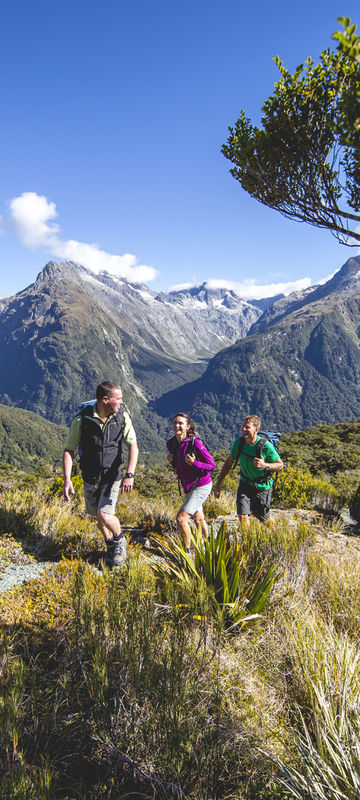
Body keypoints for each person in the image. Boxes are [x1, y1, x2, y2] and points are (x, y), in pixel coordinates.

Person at [63, 380, 138, 567]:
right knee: (98, 515)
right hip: (90, 476)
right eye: (118, 399)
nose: (121, 402)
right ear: (105, 400)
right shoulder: (82, 420)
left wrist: (129, 474)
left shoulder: (122, 418)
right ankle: (110, 544)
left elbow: (133, 446)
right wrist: (67, 479)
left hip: (112, 474)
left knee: (104, 514)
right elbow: (69, 450)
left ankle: (120, 540)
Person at [214, 415, 283, 529]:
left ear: (256, 429)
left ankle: (276, 535)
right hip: (245, 483)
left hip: (261, 486)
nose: (243, 429)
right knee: (242, 515)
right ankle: (247, 541)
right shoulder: (239, 443)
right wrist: (218, 483)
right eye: (243, 426)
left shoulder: (266, 446)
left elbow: (280, 465)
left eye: (247, 427)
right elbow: (229, 462)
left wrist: (265, 465)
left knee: (261, 517)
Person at [167, 412, 216, 553]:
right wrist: (172, 462)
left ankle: (187, 552)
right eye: (175, 423)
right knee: (198, 519)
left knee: (181, 519)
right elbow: (180, 465)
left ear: (188, 426)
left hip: (201, 485)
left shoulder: (195, 443)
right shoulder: (171, 444)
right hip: (188, 487)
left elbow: (212, 466)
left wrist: (195, 463)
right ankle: (209, 547)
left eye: (181, 423)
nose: (177, 425)